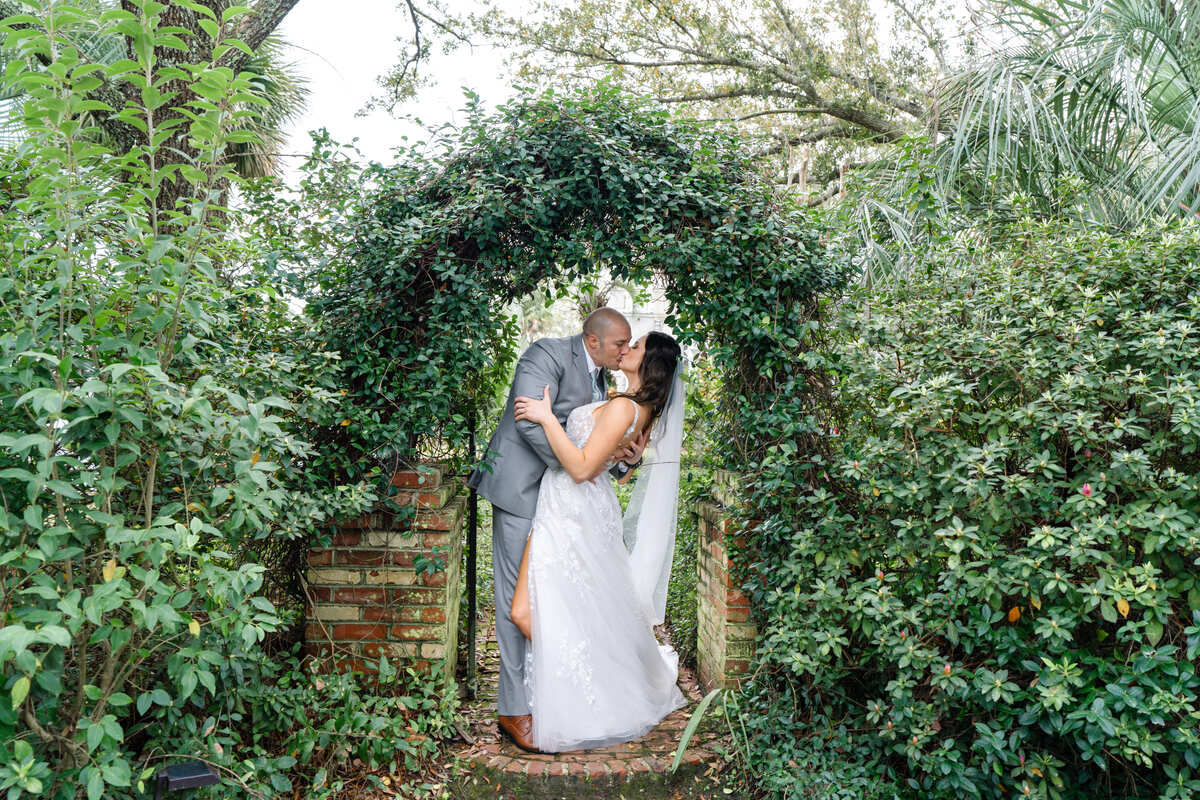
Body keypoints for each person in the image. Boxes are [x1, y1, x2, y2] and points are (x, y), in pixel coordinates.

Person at [466, 308, 648, 752]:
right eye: (619, 344)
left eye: (630, 345)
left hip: (561, 500)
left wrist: (624, 460)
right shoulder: (543, 355)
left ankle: (548, 696)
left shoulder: (601, 381)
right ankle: (512, 709)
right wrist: (573, 471)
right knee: (517, 600)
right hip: (522, 492)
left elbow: (591, 445)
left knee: (555, 597)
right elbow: (529, 422)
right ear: (592, 341)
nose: (626, 351)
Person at [509, 331, 687, 753]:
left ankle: (594, 689)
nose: (626, 349)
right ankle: (595, 683)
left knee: (526, 613)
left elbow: (582, 468)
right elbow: (610, 462)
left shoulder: (626, 406)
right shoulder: (629, 405)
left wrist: (548, 418)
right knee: (569, 610)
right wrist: (628, 460)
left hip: (572, 512)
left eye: (637, 346)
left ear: (651, 365)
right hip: (572, 511)